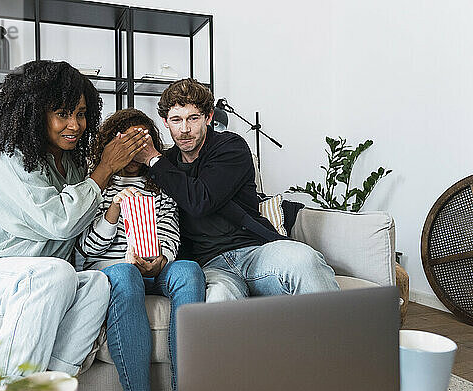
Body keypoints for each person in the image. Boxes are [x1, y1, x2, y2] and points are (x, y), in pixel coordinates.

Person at [0, 60, 148, 384]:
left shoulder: (72, 169)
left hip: (42, 282)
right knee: (57, 272)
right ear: (34, 112)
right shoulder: (11, 158)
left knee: (95, 284)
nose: (75, 124)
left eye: (82, 113)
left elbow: (80, 244)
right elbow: (58, 222)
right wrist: (103, 170)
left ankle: (50, 386)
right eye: (63, 113)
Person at [134, 78, 340, 303]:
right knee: (218, 298)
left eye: (193, 118)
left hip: (254, 251)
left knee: (303, 259)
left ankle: (335, 337)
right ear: (165, 122)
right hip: (210, 265)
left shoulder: (230, 147)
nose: (184, 129)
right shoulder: (166, 164)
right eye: (176, 120)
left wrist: (154, 159)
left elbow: (201, 200)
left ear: (209, 117)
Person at [76, 108, 205, 391]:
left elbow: (171, 233)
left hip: (154, 268)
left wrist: (162, 261)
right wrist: (113, 212)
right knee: (125, 272)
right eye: (128, 145)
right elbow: (85, 250)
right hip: (115, 271)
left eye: (141, 144)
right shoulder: (96, 186)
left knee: (188, 270)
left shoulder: (159, 186)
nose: (135, 153)